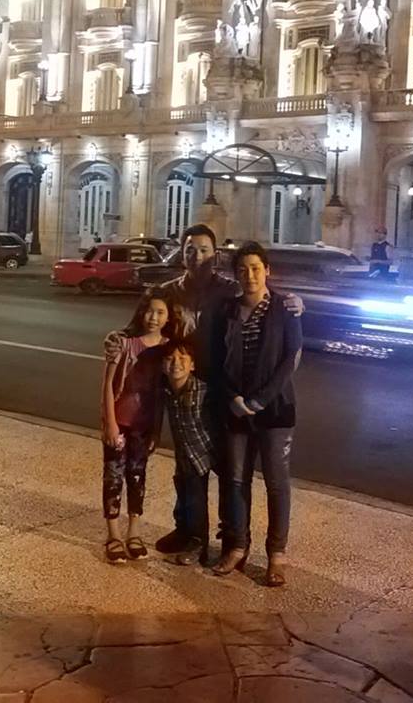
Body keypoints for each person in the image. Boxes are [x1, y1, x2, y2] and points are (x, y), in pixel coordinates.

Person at [105, 223, 304, 558]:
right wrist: (117, 338)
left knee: (227, 466)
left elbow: (260, 293)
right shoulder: (167, 292)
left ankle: (231, 537)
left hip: (220, 388)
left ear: (215, 255)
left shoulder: (228, 290)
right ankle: (189, 529)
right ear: (181, 254)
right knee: (187, 465)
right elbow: (140, 326)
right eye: (190, 249)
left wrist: (295, 301)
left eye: (203, 250)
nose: (197, 256)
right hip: (180, 386)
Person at [213, 242, 302, 588]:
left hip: (275, 409)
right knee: (237, 479)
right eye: (242, 269)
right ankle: (237, 546)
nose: (249, 275)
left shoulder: (285, 308)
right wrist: (234, 398)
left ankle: (276, 555)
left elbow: (291, 358)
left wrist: (261, 399)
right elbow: (218, 359)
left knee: (277, 484)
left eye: (255, 268)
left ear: (267, 271)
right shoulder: (229, 311)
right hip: (236, 408)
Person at [100, 293, 171, 564]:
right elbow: (108, 385)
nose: (154, 317)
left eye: (161, 312)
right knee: (113, 476)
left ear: (169, 318)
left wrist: (156, 429)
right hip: (120, 421)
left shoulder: (167, 348)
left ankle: (134, 531)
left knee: (137, 476)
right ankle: (113, 535)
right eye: (150, 311)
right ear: (141, 312)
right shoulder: (123, 342)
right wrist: (109, 423)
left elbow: (162, 394)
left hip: (144, 425)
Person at [160, 338, 218, 566]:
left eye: (182, 358)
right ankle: (182, 531)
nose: (176, 363)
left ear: (192, 364)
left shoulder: (202, 390)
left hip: (204, 452)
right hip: (184, 453)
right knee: (182, 489)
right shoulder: (167, 390)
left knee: (196, 496)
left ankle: (198, 542)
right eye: (170, 359)